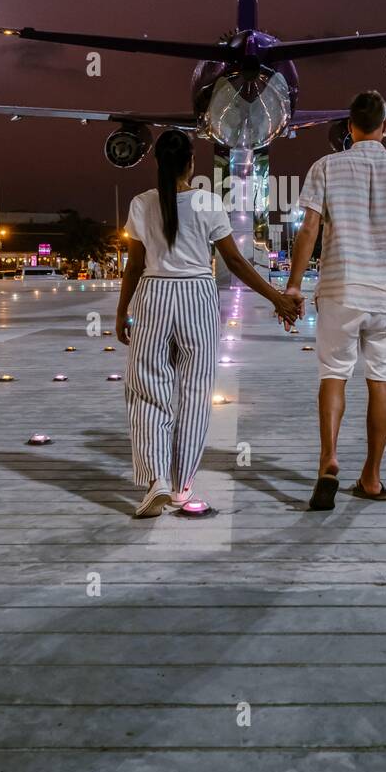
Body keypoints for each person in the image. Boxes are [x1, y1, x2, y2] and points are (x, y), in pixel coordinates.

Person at [117, 129, 300, 518]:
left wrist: (122, 311)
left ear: (157, 163)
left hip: (153, 295)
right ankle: (182, 486)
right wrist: (277, 298)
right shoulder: (208, 202)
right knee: (196, 393)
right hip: (198, 298)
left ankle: (156, 481)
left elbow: (133, 266)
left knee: (148, 391)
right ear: (191, 163)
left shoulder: (140, 203)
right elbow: (235, 262)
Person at [285, 89, 386, 510]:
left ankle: (328, 458)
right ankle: (371, 477)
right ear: (385, 126)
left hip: (340, 290)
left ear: (348, 128)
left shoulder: (326, 167)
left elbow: (308, 228)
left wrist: (294, 285)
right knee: (381, 380)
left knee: (333, 374)